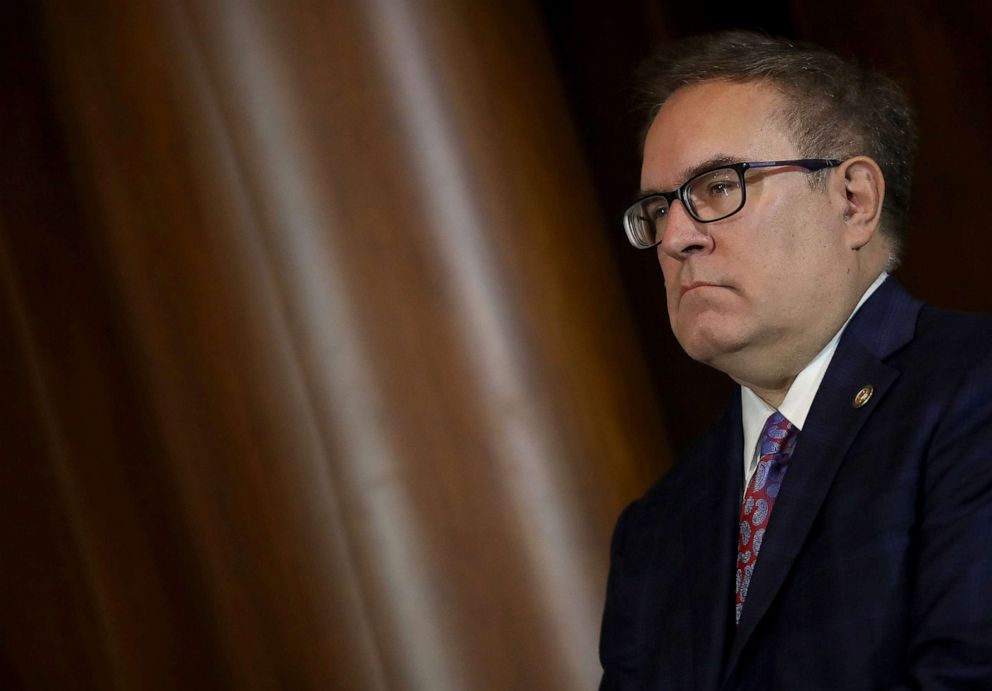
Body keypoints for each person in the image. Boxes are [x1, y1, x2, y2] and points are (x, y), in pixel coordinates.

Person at [599, 31, 992, 690]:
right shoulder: (655, 529)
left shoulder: (973, 391)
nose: (675, 237)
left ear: (853, 200)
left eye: (719, 186)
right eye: (659, 209)